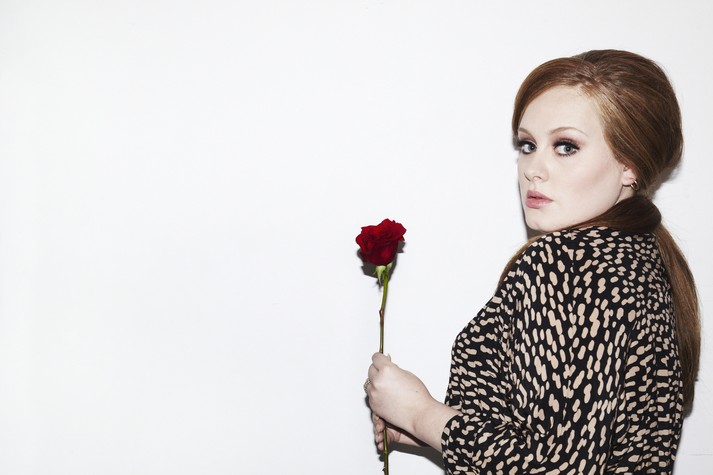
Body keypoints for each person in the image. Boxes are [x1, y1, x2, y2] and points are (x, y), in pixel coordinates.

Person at [364, 49, 700, 474]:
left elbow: (554, 467)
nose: (533, 169)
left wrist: (421, 414)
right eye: (528, 145)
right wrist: (438, 432)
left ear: (628, 165)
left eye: (566, 146)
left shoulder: (567, 263)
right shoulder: (642, 258)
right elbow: (577, 443)